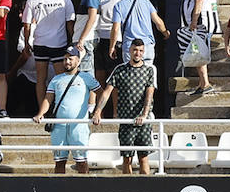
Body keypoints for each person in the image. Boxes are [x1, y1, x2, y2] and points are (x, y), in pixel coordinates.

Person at [93, 37, 156, 175]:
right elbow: (107, 92)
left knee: (143, 158)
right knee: (127, 159)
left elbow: (149, 94)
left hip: (143, 122)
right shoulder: (120, 70)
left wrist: (144, 115)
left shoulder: (149, 70)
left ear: (144, 52)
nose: (137, 53)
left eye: (140, 51)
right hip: (126, 121)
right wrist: (98, 111)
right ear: (130, 50)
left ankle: (146, 188)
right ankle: (128, 186)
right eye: (135, 50)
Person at [34, 47, 97, 174]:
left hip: (79, 126)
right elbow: (48, 99)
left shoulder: (86, 77)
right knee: (59, 162)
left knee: (81, 162)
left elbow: (100, 92)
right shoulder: (56, 79)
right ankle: (59, 190)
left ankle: (86, 191)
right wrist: (41, 114)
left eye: (70, 58)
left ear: (78, 61)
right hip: (59, 125)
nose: (67, 62)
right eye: (65, 59)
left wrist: (97, 111)